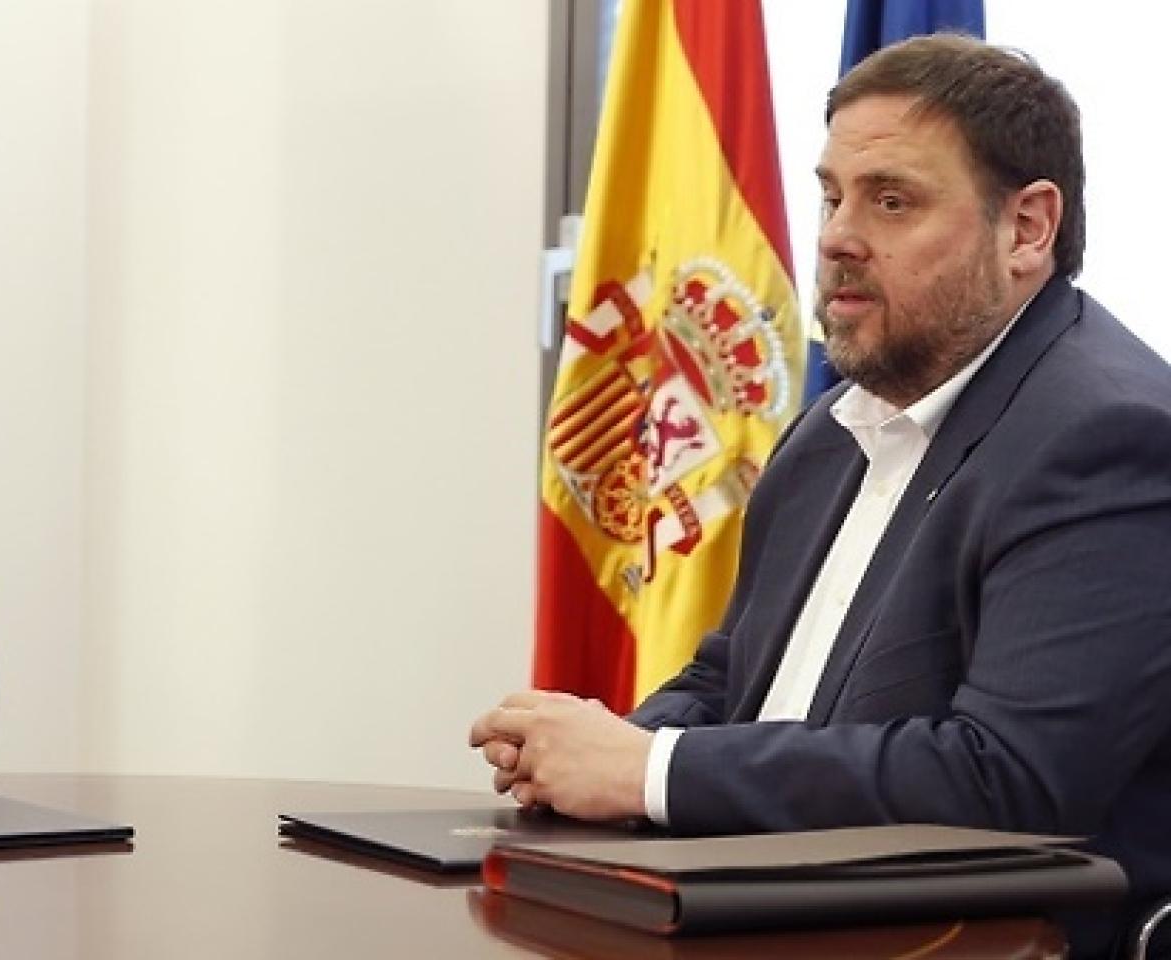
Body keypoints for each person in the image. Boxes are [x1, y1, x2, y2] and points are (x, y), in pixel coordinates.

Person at [472, 33, 1171, 952]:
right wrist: (589, 754)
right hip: (768, 905)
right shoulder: (834, 425)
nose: (838, 235)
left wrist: (652, 771)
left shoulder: (1109, 438)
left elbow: (1007, 781)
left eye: (891, 201)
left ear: (1027, 228)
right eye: (832, 194)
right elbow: (732, 677)